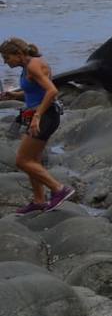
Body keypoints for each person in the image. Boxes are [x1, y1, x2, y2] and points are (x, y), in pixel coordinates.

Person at [1, 38, 74, 214]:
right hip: (42, 115)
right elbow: (35, 92)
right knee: (33, 160)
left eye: (6, 57)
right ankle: (39, 201)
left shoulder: (33, 65)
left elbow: (52, 91)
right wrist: (14, 96)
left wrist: (37, 116)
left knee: (22, 161)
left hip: (45, 117)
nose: (5, 62)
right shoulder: (28, 66)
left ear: (18, 54)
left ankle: (59, 189)